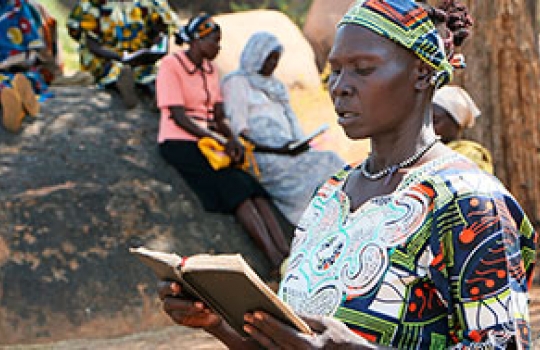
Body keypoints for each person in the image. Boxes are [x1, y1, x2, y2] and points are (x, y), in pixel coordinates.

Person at [157, 1, 538, 348]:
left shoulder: (469, 201)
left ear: (422, 74)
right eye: (335, 71)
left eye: (362, 69)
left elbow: (507, 344)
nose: (339, 87)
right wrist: (216, 323)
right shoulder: (333, 192)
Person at [156, 14, 290, 276]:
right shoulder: (171, 65)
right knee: (232, 187)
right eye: (214, 41)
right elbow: (178, 116)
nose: (219, 47)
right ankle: (274, 260)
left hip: (209, 142)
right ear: (197, 40)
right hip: (180, 142)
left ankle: (287, 255)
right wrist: (218, 140)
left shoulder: (210, 70)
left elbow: (217, 116)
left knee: (253, 188)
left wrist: (231, 140)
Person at [221, 31, 345, 225]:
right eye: (269, 59)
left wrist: (299, 144)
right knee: (313, 173)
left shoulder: (276, 87)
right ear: (256, 56)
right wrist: (278, 149)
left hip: (288, 150)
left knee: (332, 161)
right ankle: (310, 219)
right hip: (263, 155)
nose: (273, 65)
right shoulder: (237, 82)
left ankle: (338, 214)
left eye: (276, 60)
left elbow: (291, 121)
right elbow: (239, 132)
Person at [66, 0, 177, 109]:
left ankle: (156, 96)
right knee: (116, 70)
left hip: (138, 57)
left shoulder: (150, 2)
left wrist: (157, 44)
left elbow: (162, 29)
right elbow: (91, 43)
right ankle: (124, 87)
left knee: (151, 73)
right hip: (104, 56)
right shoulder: (94, 4)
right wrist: (119, 57)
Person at [0, 0, 47, 133]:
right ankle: (19, 106)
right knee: (8, 85)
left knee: (13, 81)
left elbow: (33, 51)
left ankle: (19, 103)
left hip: (16, 66)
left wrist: (12, 62)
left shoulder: (20, 8)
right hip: (13, 71)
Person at [433, 85, 494, 173]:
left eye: (435, 121)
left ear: (457, 124)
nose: (427, 127)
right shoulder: (419, 153)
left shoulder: (471, 155)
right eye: (425, 121)